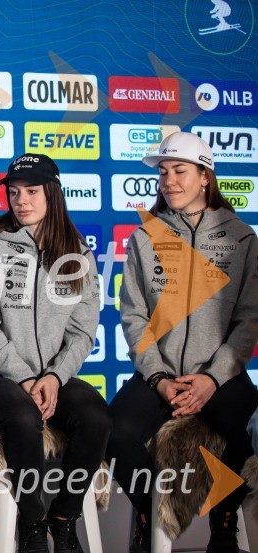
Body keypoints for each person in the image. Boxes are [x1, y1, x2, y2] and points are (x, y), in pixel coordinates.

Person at [106, 132, 258, 553]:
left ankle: (224, 525)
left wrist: (213, 378)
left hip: (220, 375)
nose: (168, 180)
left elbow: (249, 319)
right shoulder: (145, 237)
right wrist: (158, 378)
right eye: (163, 172)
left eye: (179, 171)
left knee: (249, 433)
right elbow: (134, 316)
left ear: (205, 176)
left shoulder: (241, 238)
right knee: (114, 432)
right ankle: (149, 515)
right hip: (160, 374)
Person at [0, 154, 110, 553]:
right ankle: (32, 526)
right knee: (22, 417)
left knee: (96, 417)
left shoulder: (78, 254)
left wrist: (55, 377)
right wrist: (25, 378)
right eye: (14, 192)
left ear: (52, 193)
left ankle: (64, 519)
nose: (21, 200)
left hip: (54, 377)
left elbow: (82, 331)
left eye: (31, 191)